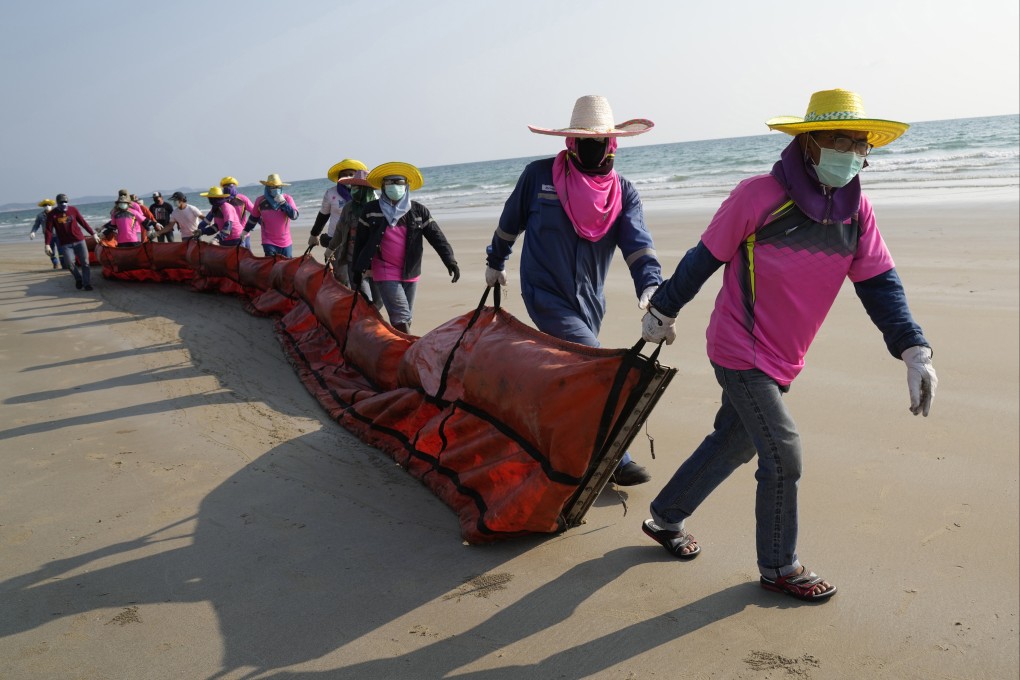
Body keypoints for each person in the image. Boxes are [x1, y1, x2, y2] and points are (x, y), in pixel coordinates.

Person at [638, 89, 939, 602]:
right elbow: (703, 258)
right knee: (784, 452)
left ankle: (665, 517)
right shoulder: (758, 196)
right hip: (738, 346)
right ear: (808, 143)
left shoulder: (856, 211)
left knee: (734, 440)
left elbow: (880, 284)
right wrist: (663, 310)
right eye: (838, 138)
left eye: (860, 142)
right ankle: (779, 565)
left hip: (785, 357)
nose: (851, 150)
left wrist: (914, 350)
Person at [484, 95, 662, 486]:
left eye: (601, 142)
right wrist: (494, 263)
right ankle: (618, 458)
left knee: (570, 375)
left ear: (612, 145)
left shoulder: (623, 193)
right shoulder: (539, 176)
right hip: (545, 293)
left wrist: (652, 288)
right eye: (586, 140)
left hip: (589, 300)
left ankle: (551, 439)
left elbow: (638, 246)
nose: (594, 148)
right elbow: (509, 223)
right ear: (570, 142)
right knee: (599, 368)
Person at [351, 162, 460, 334]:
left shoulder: (419, 211)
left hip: (411, 270)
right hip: (384, 269)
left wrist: (450, 260)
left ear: (407, 186)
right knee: (401, 316)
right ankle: (409, 353)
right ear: (382, 186)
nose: (395, 187)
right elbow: (361, 242)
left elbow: (436, 237)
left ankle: (397, 347)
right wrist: (357, 269)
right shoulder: (371, 210)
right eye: (390, 183)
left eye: (399, 183)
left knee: (406, 317)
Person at [324, 172, 384, 309]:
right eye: (352, 187)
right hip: (354, 260)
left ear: (366, 189)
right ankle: (367, 325)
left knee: (379, 301)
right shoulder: (348, 208)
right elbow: (339, 230)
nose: (353, 190)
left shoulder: (379, 208)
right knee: (364, 299)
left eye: (357, 187)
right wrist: (330, 248)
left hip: (376, 261)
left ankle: (372, 323)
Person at [308, 159, 368, 250]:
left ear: (356, 176)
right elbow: (323, 215)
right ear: (339, 177)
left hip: (359, 240)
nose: (347, 177)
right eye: (344, 175)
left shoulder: (367, 193)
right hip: (334, 240)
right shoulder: (331, 193)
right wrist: (314, 234)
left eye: (351, 174)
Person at [44, 193, 98, 291]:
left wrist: (93, 233)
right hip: (65, 244)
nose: (64, 204)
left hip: (79, 240)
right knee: (69, 264)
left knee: (85, 263)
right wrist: (47, 244)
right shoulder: (53, 214)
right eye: (61, 202)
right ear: (57, 203)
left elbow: (83, 222)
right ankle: (78, 279)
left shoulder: (73, 210)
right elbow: (48, 230)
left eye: (65, 201)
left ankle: (86, 284)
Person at [241, 173, 299, 257]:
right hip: (268, 241)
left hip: (285, 242)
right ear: (268, 188)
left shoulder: (287, 199)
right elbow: (254, 218)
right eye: (273, 187)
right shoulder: (260, 201)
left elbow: (295, 216)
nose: (276, 189)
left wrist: (284, 203)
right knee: (271, 266)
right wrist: (245, 231)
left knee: (286, 266)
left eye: (278, 187)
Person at [31, 199, 67, 269]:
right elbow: (36, 225)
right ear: (43, 207)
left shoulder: (57, 213)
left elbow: (64, 222)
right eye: (45, 205)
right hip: (48, 237)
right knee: (50, 251)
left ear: (51, 205)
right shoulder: (40, 216)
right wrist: (33, 232)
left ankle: (64, 265)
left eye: (49, 205)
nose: (47, 206)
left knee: (61, 251)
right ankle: (55, 263)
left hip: (58, 235)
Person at [220, 177, 255, 249]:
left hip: (243, 234)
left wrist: (251, 224)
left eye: (230, 185)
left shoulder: (242, 199)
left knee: (245, 257)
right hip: (227, 237)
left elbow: (255, 213)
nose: (228, 188)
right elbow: (255, 212)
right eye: (225, 186)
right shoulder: (221, 201)